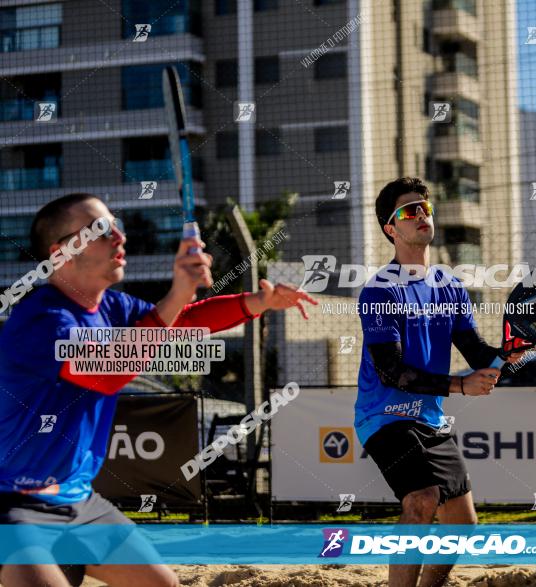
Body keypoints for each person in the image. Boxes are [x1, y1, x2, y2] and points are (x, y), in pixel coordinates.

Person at [0, 193, 317, 587]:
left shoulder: (110, 306)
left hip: (78, 501)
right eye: (100, 229)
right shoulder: (41, 320)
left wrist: (257, 301)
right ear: (61, 251)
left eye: (116, 225)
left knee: (163, 584)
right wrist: (178, 292)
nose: (119, 236)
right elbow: (108, 371)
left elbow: (179, 322)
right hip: (14, 504)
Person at [356, 178, 524, 587]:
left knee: (463, 525)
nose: (422, 215)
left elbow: (474, 349)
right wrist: (461, 386)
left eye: (426, 208)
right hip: (385, 417)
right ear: (390, 229)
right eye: (410, 211)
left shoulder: (449, 286)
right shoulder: (379, 291)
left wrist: (507, 354)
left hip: (430, 420)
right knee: (422, 499)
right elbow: (391, 371)